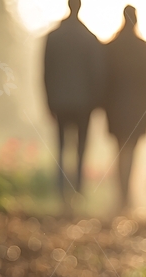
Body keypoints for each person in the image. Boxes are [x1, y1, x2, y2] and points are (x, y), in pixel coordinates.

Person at [43, 0, 105, 201]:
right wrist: (96, 102)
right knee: (81, 147)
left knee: (61, 147)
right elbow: (97, 74)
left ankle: (61, 191)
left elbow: (45, 73)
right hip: (84, 103)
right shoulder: (89, 38)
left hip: (60, 101)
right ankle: (78, 189)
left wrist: (48, 101)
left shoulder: (54, 37)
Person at [105, 5, 146, 210]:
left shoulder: (112, 45)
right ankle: (126, 196)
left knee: (119, 150)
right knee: (131, 151)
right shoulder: (142, 46)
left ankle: (121, 196)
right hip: (137, 108)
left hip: (116, 108)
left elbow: (105, 78)